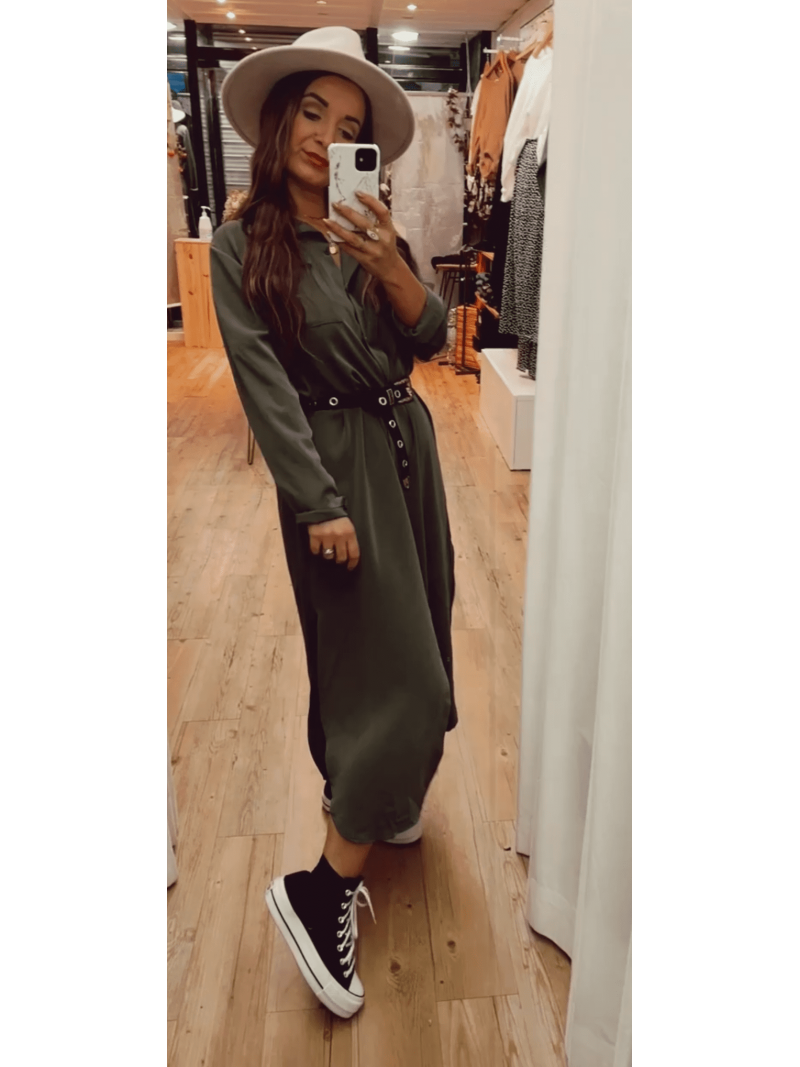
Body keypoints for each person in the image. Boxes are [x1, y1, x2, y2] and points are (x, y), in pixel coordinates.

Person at [210, 26, 458, 1020]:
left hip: (407, 450)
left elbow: (429, 333)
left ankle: (373, 790)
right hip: (336, 470)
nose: (326, 135)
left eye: (348, 125)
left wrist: (388, 263)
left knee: (410, 639)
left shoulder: (368, 226)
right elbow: (263, 385)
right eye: (312, 112)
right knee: (401, 675)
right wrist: (317, 501)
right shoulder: (243, 245)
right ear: (280, 122)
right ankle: (321, 894)